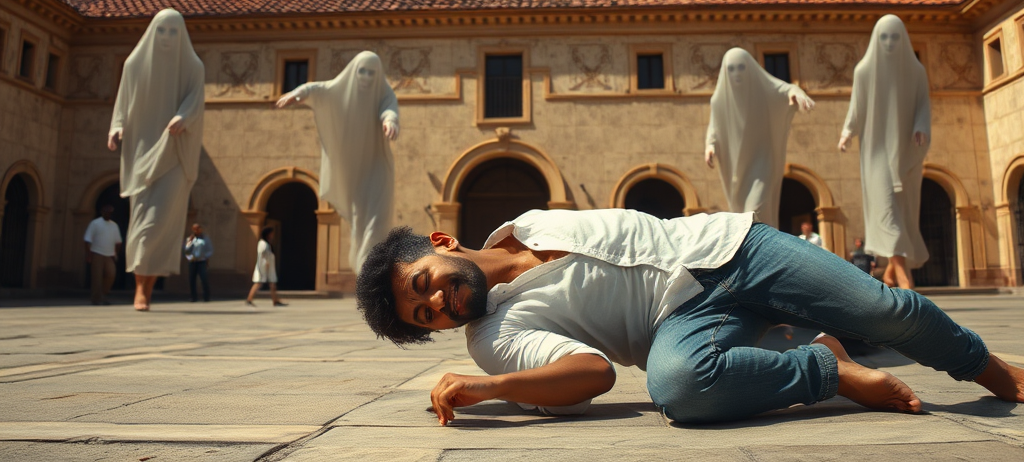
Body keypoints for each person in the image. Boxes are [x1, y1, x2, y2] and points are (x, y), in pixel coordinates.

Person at [356, 208, 1024, 426]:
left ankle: (993, 370)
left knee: (881, 308)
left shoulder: (524, 222)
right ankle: (829, 370)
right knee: (678, 388)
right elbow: (590, 374)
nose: (438, 304)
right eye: (425, 316)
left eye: (426, 285)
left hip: (728, 247)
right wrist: (493, 388)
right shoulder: (493, 338)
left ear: (441, 246)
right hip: (685, 323)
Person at [108, 8, 205, 311]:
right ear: (152, 32)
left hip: (174, 151)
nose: (166, 37)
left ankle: (146, 288)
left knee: (161, 221)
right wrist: (116, 126)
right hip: (141, 152)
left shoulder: (193, 66)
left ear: (181, 36)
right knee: (142, 223)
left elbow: (196, 100)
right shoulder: (134, 64)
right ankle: (141, 288)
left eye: (173, 32)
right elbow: (123, 100)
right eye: (161, 30)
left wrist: (183, 117)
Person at [276, 51, 398, 273]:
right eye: (362, 72)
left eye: (372, 73)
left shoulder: (384, 92)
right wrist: (297, 93)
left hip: (377, 164)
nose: (366, 78)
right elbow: (318, 89)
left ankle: (368, 268)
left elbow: (389, 108)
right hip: (354, 170)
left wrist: (390, 121)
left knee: (376, 217)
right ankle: (363, 267)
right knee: (360, 220)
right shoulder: (339, 89)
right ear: (353, 72)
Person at [839, 14, 930, 290]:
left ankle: (890, 272)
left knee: (901, 212)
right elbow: (856, 105)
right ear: (876, 40)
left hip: (904, 152)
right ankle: (904, 278)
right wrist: (847, 131)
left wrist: (920, 125)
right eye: (884, 37)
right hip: (876, 154)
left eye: (895, 37)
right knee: (887, 209)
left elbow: (923, 104)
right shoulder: (864, 71)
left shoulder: (916, 72)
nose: (889, 42)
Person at [705, 48, 814, 228]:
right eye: (731, 69)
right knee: (743, 213)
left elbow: (783, 89)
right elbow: (714, 127)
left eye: (741, 67)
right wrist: (710, 145)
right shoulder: (718, 100)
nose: (737, 73)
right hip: (737, 165)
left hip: (762, 159)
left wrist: (795, 92)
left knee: (754, 209)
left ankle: (759, 250)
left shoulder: (762, 91)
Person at [84, 204, 123, 305]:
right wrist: (89, 255)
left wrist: (115, 254)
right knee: (96, 277)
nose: (108, 214)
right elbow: (87, 240)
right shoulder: (95, 223)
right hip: (97, 253)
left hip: (109, 254)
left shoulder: (114, 225)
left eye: (110, 212)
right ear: (102, 212)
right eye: (106, 212)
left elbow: (118, 242)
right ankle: (96, 299)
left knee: (111, 274)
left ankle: (103, 294)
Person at [247, 227, 286, 308]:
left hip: (269, 267)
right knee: (258, 282)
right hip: (264, 266)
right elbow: (263, 253)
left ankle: (275, 300)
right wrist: (266, 262)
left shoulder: (267, 243)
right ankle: (249, 299)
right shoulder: (262, 243)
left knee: (272, 283)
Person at [184, 223, 214, 302]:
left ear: (201, 229)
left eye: (198, 228)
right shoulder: (190, 239)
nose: (196, 230)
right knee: (192, 279)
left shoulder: (205, 239)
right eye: (195, 229)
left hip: (202, 261)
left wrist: (205, 256)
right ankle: (193, 297)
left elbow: (210, 250)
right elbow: (186, 250)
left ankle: (206, 296)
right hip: (192, 261)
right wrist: (190, 242)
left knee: (204, 278)